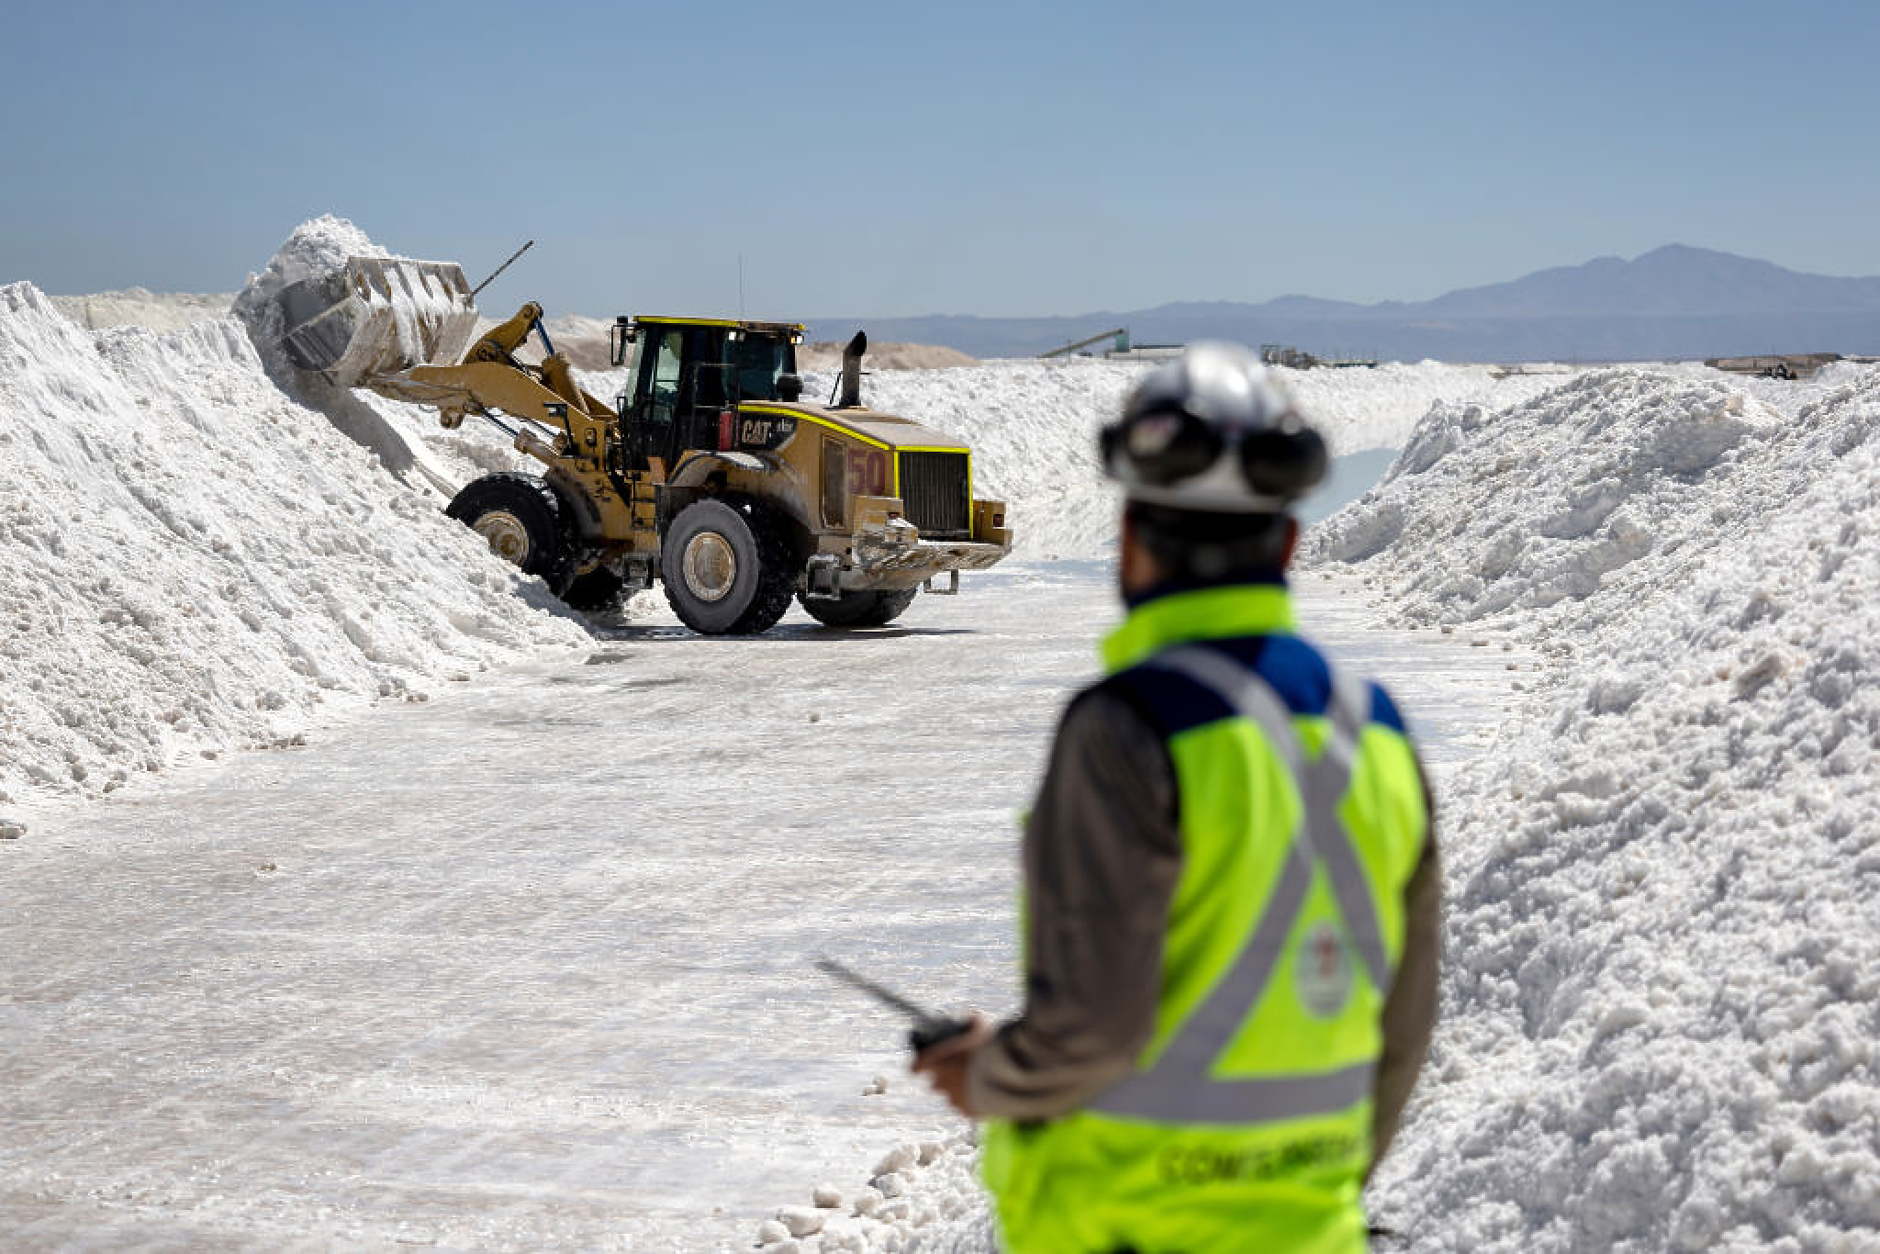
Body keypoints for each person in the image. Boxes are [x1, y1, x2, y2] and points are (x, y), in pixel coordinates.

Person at [914, 344, 1440, 1254]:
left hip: (1128, 1229)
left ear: (1127, 541)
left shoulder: (1124, 730)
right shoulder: (1379, 729)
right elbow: (1405, 1024)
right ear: (1287, 542)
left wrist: (990, 1074)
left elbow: (1096, 1031)